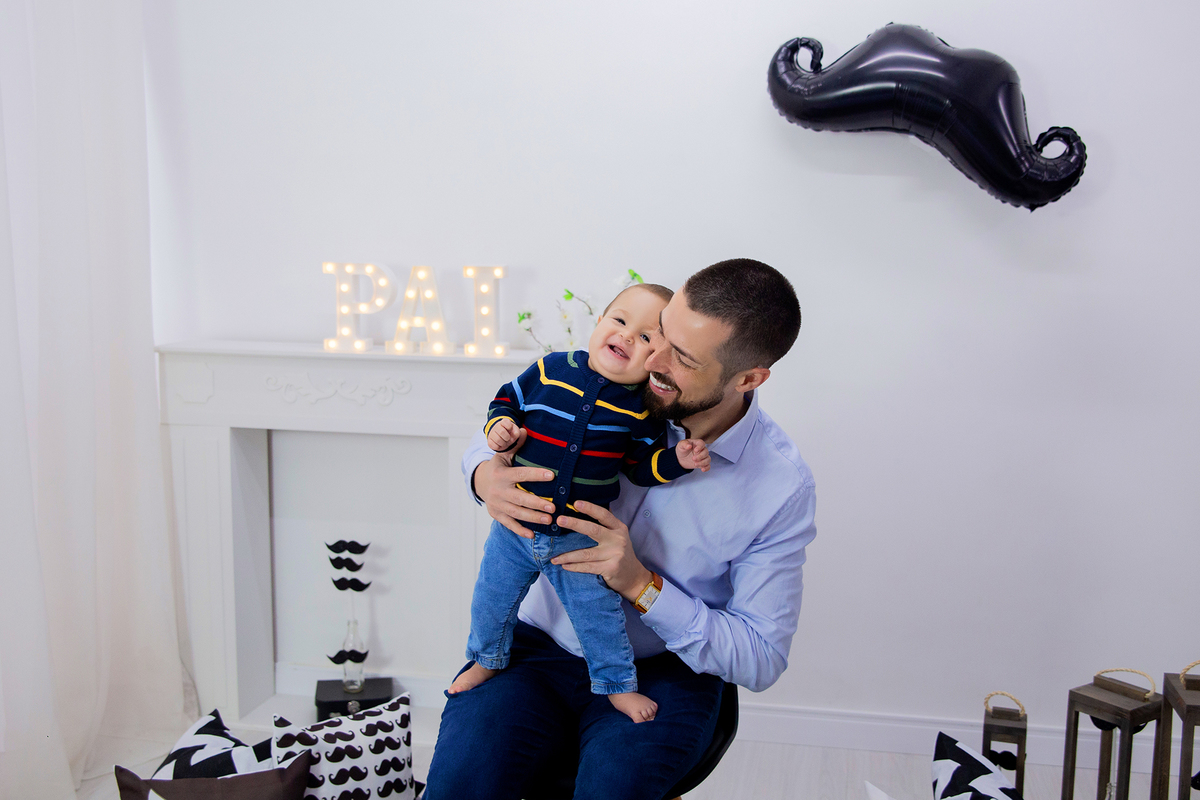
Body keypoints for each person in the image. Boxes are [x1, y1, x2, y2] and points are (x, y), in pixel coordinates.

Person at [424, 259, 816, 800]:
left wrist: (641, 584)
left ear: (747, 378)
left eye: (680, 356)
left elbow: (761, 656)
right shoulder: (605, 377)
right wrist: (483, 474)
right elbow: (513, 420)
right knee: (458, 787)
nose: (650, 356)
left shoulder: (778, 487)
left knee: (612, 788)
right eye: (662, 332)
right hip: (536, 648)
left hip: (663, 672)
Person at [449, 283, 711, 723]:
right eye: (621, 321)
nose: (628, 337)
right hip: (516, 530)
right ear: (599, 322)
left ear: (658, 360)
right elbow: (507, 399)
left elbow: (640, 467)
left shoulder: (639, 410)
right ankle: (486, 659)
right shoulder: (550, 369)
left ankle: (616, 685)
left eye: (647, 338)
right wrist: (501, 427)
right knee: (491, 599)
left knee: (599, 619)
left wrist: (677, 461)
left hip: (578, 541)